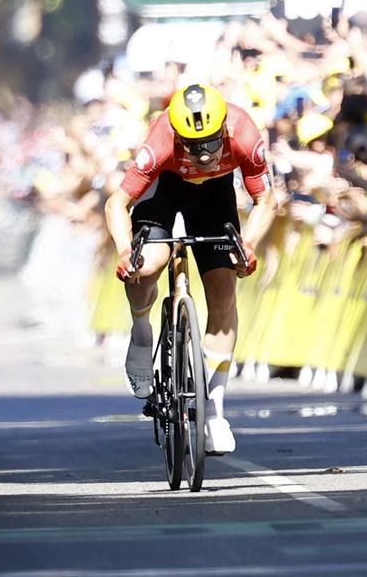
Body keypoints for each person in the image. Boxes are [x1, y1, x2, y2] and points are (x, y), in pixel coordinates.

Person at [104, 83, 279, 455]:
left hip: (215, 198)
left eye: (211, 144)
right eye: (192, 145)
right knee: (146, 265)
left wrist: (248, 245)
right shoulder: (161, 140)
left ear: (225, 131)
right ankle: (140, 331)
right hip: (163, 190)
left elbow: (266, 200)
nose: (203, 155)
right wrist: (124, 251)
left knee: (223, 290)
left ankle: (214, 411)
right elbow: (116, 204)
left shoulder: (245, 133)